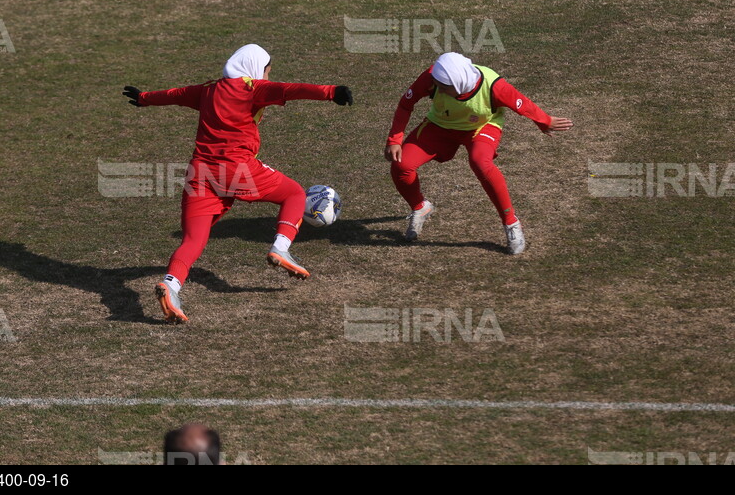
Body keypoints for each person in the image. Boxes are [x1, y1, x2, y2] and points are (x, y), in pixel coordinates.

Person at [124, 43, 353, 323]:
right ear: (256, 68)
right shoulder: (252, 88)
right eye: (266, 71)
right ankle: (281, 248)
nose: (267, 76)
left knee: (194, 239)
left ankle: (170, 286)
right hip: (236, 168)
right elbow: (290, 89)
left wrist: (145, 98)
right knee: (293, 193)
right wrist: (333, 92)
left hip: (199, 173)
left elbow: (177, 95)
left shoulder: (209, 90)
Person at [385, 52, 572, 254]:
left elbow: (521, 103)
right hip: (440, 125)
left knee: (480, 162)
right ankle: (420, 206)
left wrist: (545, 121)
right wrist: (395, 140)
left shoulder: (494, 86)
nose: (438, 88)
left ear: (459, 83)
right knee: (401, 165)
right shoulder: (433, 77)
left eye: (445, 87)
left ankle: (511, 223)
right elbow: (406, 104)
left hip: (482, 126)